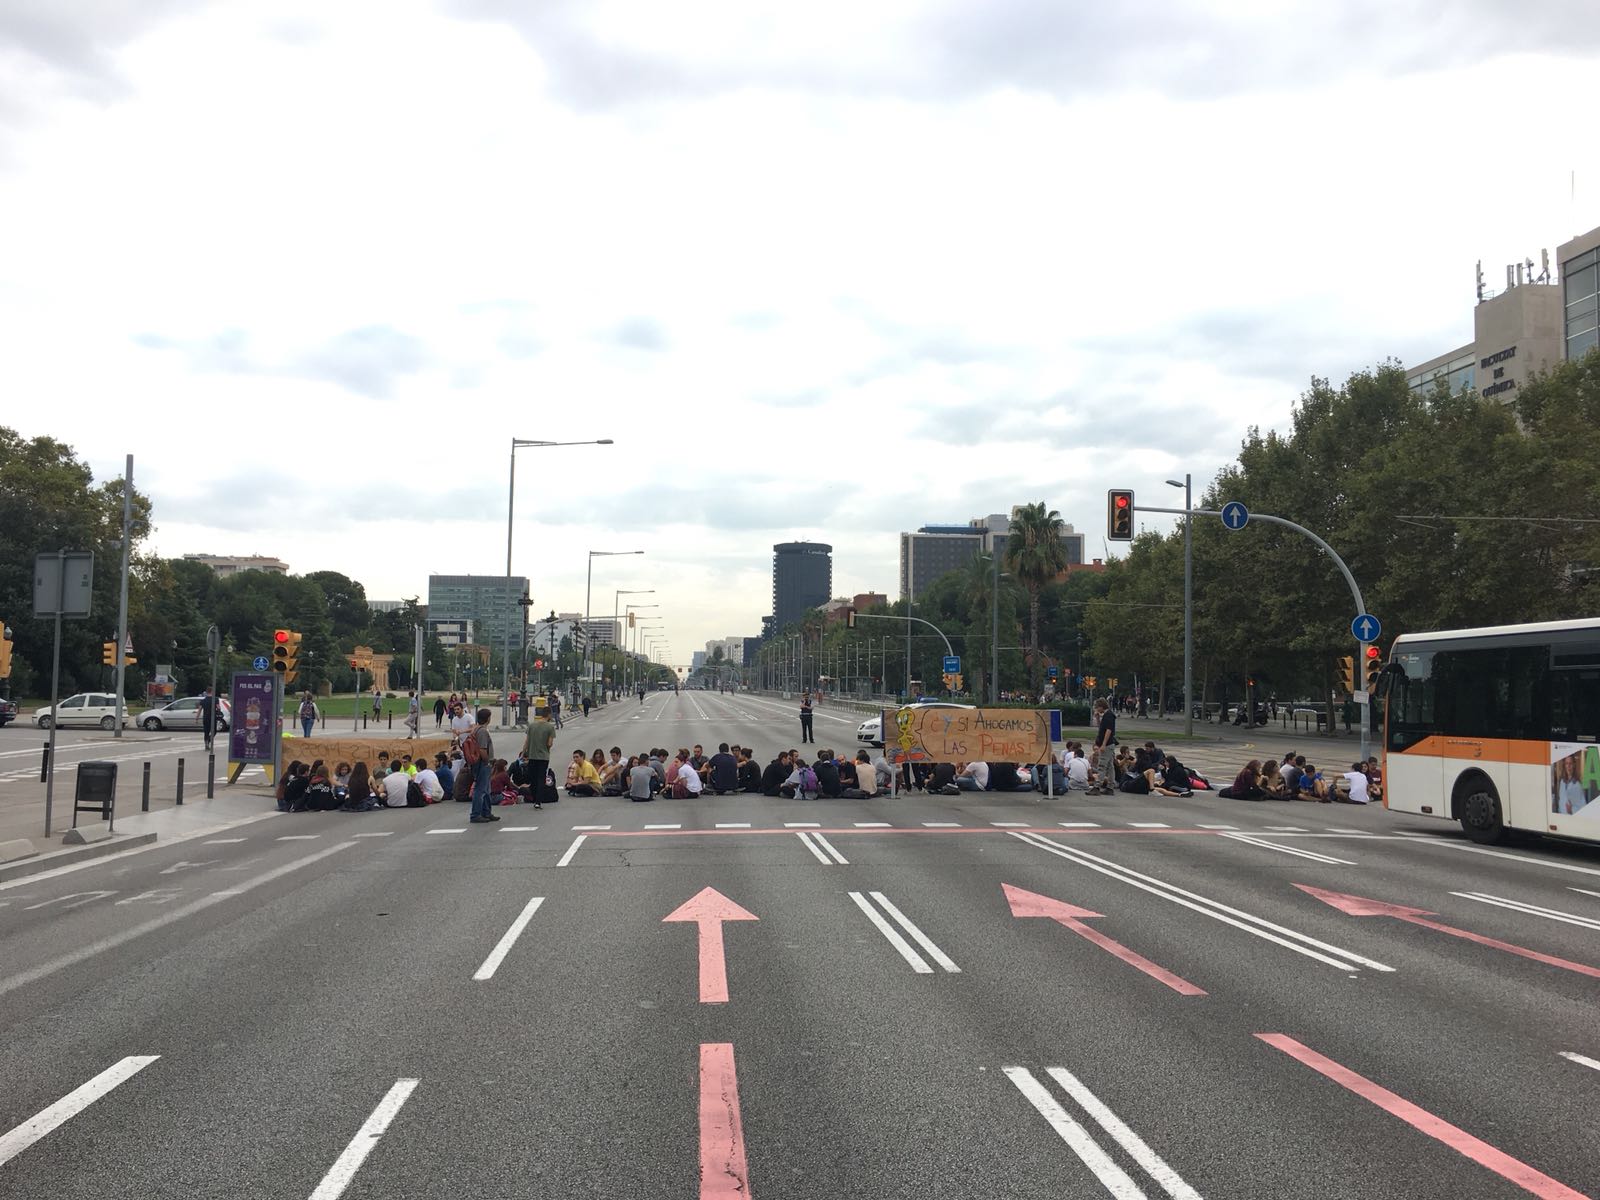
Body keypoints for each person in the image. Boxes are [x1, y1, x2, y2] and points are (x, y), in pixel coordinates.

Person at [468, 707, 499, 823]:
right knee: (480, 789)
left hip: (479, 763)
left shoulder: (476, 729)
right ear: (488, 719)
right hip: (482, 763)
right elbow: (482, 749)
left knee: (486, 789)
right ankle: (475, 814)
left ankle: (487, 812)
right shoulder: (482, 731)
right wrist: (487, 761)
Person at [523, 708, 556, 809]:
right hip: (543, 757)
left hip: (532, 755)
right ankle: (538, 801)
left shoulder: (531, 725)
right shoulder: (550, 727)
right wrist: (546, 748)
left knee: (533, 778)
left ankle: (533, 797)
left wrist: (524, 752)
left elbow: (527, 741)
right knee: (541, 778)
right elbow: (549, 743)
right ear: (549, 715)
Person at [1089, 699, 1117, 795]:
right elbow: (1102, 728)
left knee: (1102, 766)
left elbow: (1108, 730)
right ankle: (1110, 786)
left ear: (1101, 706)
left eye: (1097, 707)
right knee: (1110, 766)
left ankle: (1097, 786)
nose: (1096, 709)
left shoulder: (1108, 715)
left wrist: (1104, 744)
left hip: (1107, 744)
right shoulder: (1106, 715)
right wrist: (1097, 718)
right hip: (1109, 744)